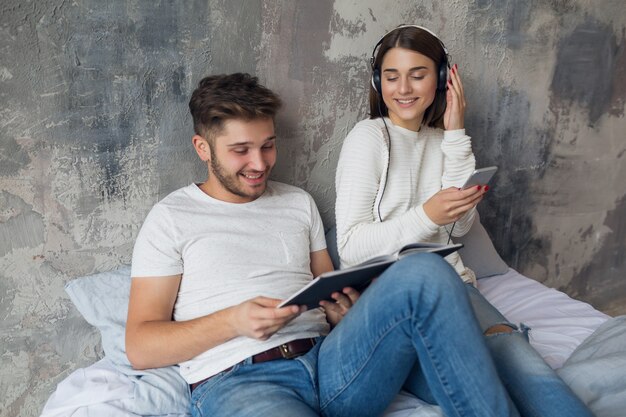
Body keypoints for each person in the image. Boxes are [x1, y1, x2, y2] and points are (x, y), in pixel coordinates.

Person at [125, 72, 519, 417]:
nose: (260, 163)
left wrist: (341, 311)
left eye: (268, 145)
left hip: (332, 363)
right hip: (243, 382)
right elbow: (141, 346)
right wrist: (233, 320)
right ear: (202, 148)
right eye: (241, 150)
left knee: (425, 269)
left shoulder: (298, 203)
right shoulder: (171, 217)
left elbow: (328, 285)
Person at [335, 25, 594, 417]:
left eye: (418, 74)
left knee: (526, 367)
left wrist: (456, 132)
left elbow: (457, 230)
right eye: (391, 76)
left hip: (459, 289)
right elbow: (351, 246)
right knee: (482, 382)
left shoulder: (442, 141)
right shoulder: (368, 138)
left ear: (440, 79)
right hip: (396, 300)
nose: (403, 88)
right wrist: (427, 215)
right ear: (378, 81)